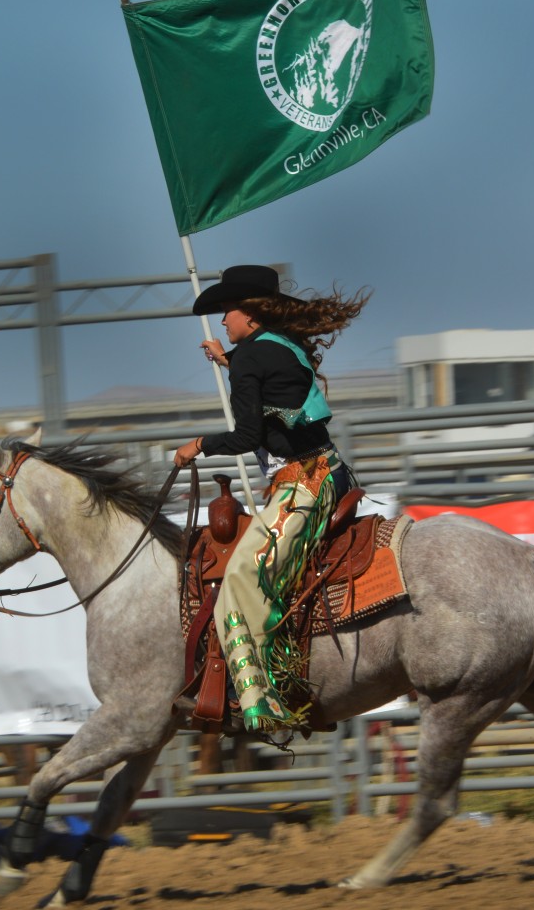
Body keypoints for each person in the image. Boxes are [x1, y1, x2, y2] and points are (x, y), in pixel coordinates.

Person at [174, 265, 370, 736]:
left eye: (228, 311)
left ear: (252, 315)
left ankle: (263, 700)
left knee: (243, 574)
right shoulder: (281, 345)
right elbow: (273, 388)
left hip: (306, 484)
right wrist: (229, 363)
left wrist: (198, 444)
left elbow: (247, 435)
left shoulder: (251, 357)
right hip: (327, 472)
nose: (223, 321)